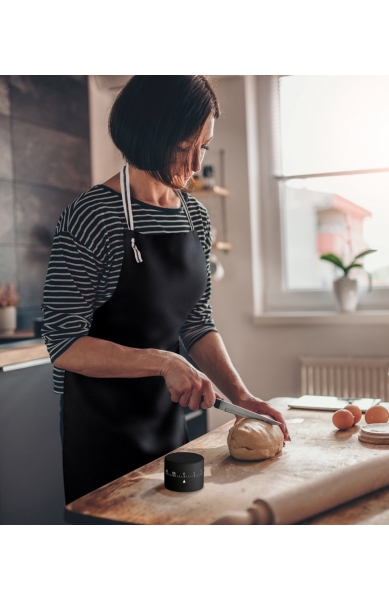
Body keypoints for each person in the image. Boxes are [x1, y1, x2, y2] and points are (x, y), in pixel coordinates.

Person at [41, 75, 290, 505]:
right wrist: (163, 360)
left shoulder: (194, 217)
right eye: (182, 148)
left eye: (204, 146)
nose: (195, 165)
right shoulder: (90, 217)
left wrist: (241, 395)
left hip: (169, 422)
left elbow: (197, 323)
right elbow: (63, 342)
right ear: (145, 137)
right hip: (100, 429)